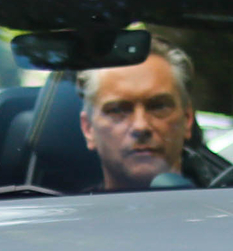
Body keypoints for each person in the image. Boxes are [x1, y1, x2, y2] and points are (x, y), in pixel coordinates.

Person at [78, 37, 201, 192]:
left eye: (158, 106)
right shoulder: (69, 214)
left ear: (187, 119)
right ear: (88, 128)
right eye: (117, 110)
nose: (141, 126)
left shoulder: (226, 208)